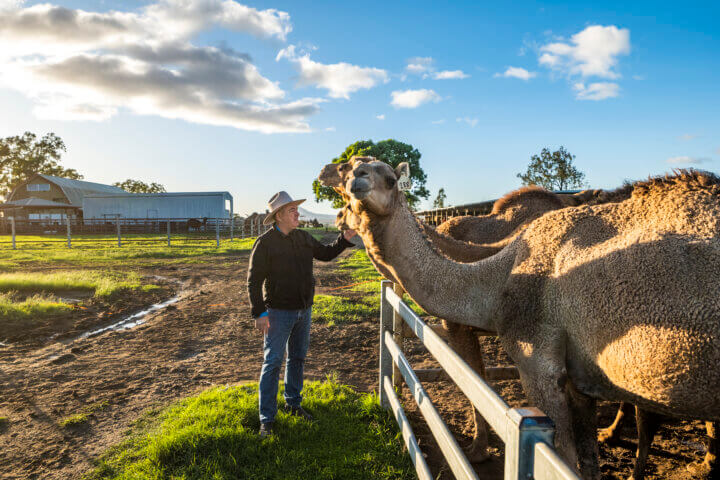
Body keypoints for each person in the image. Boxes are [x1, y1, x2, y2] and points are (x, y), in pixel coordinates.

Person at [247, 191, 356, 437]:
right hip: (277, 314)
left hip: (303, 311)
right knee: (273, 363)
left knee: (297, 358)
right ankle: (267, 419)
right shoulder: (265, 244)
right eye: (292, 210)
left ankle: (293, 404)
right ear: (279, 216)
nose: (298, 214)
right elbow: (254, 282)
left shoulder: (304, 238)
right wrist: (259, 313)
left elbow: (326, 254)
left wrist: (344, 239)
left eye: (296, 209)